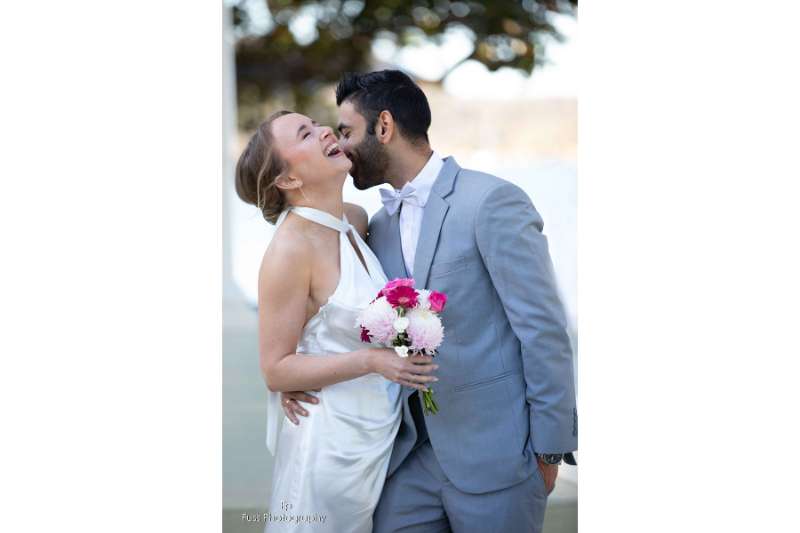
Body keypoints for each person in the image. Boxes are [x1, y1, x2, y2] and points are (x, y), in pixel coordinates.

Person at [282, 70, 578, 533]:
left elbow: (543, 331)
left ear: (384, 126)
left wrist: (550, 448)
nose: (340, 144)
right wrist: (298, 374)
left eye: (347, 131)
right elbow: (346, 315)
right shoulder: (375, 226)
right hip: (405, 462)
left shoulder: (491, 202)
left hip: (498, 458)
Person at [234, 110, 438, 532]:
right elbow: (275, 369)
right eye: (305, 134)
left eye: (316, 124)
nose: (325, 130)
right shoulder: (288, 251)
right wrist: (373, 361)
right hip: (328, 445)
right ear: (288, 179)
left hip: (377, 438)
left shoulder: (355, 221)